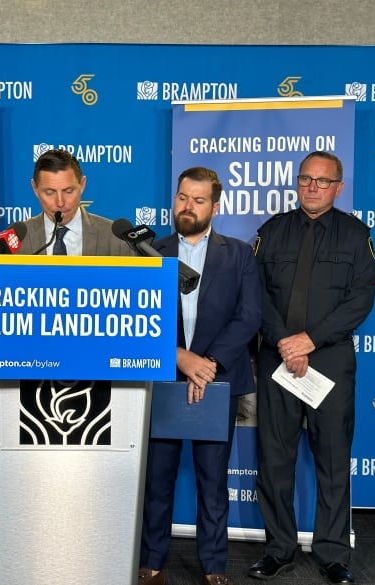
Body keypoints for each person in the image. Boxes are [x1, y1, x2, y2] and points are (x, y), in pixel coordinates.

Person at [249, 151, 375, 584]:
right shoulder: (271, 231)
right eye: (306, 179)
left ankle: (333, 553)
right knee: (274, 459)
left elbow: (361, 298)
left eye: (323, 181)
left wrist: (310, 340)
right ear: (297, 182)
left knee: (333, 460)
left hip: (330, 362)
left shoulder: (357, 235)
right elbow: (256, 295)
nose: (313, 187)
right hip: (277, 361)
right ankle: (279, 548)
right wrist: (287, 342)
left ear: (338, 187)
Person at [139, 167, 262, 585]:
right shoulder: (151, 251)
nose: (187, 206)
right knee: (158, 480)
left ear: (215, 205)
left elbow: (249, 317)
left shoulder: (240, 254)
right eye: (182, 198)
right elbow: (139, 321)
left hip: (217, 380)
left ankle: (213, 568)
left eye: (198, 200)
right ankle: (152, 561)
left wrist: (205, 364)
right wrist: (181, 360)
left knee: (213, 482)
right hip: (164, 379)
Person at [13, 148, 133, 256]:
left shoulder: (116, 240)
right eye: (50, 192)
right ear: (35, 188)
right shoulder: (15, 241)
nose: (60, 202)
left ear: (82, 185)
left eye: (68, 191)